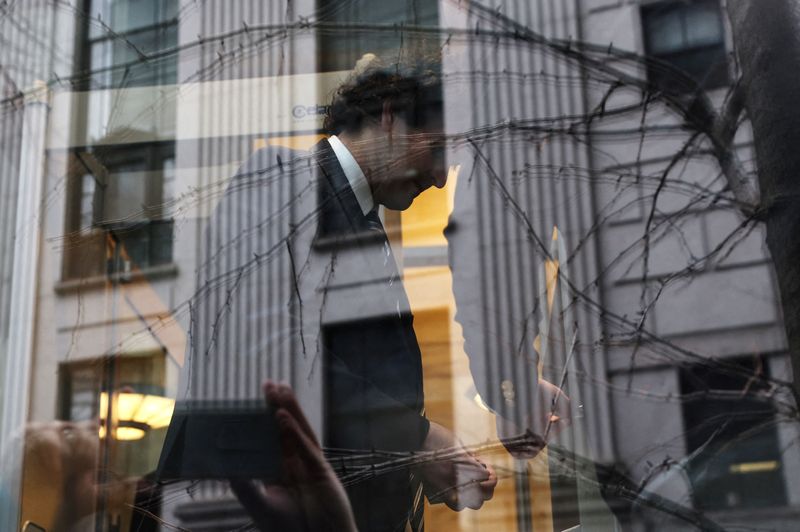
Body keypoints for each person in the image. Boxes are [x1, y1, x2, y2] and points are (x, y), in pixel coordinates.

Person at [160, 56, 496, 532]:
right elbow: (264, 353)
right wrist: (416, 440)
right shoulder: (277, 178)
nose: (441, 178)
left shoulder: (362, 223)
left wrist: (417, 461)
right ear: (388, 113)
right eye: (439, 149)